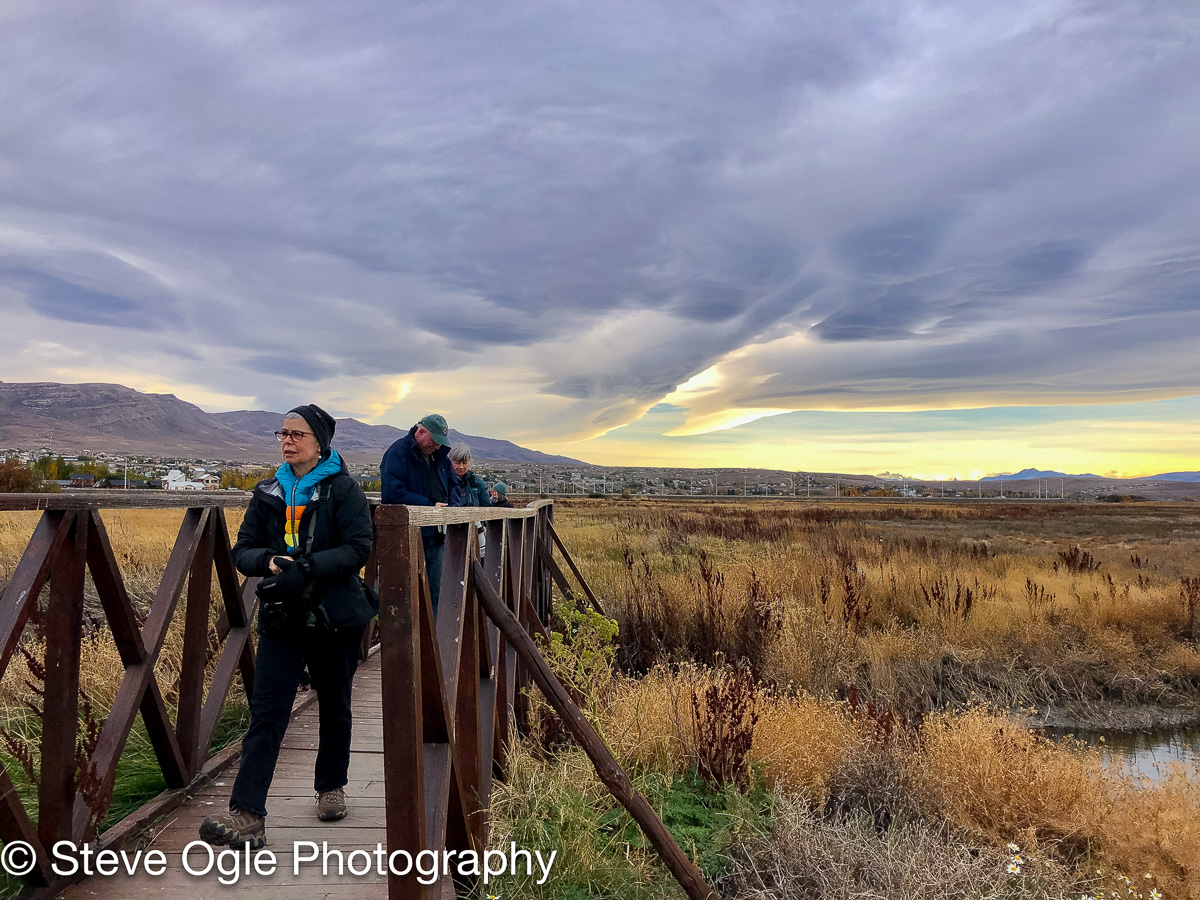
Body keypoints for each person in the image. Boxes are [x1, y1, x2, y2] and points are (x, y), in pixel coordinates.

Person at [199, 405, 376, 850]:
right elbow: (243, 551)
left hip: (334, 617)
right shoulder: (268, 492)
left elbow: (358, 549)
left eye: (297, 434)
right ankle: (247, 815)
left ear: (320, 442)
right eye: (283, 433)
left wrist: (309, 567)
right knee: (268, 713)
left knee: (335, 707)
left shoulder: (343, 490)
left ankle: (330, 787)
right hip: (283, 618)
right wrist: (270, 562)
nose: (287, 440)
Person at [379, 413, 460, 610]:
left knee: (435, 592)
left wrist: (454, 509)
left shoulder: (440, 457)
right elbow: (392, 492)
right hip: (407, 536)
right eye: (434, 441)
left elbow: (454, 485)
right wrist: (429, 505)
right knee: (406, 592)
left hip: (436, 535)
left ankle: (432, 638)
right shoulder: (398, 452)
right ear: (421, 432)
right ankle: (409, 639)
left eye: (441, 442)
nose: (438, 446)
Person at [449, 443, 491, 507]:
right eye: (457, 463)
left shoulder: (479, 485)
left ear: (469, 462)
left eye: (465, 463)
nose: (461, 467)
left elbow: (487, 509)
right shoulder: (444, 482)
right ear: (450, 461)